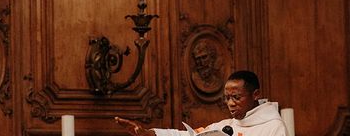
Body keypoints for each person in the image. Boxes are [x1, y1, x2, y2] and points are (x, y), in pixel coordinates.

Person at [116, 70, 288, 136]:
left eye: (236, 97)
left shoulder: (273, 127)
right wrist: (148, 133)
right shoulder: (225, 126)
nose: (231, 103)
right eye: (227, 98)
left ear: (255, 94)